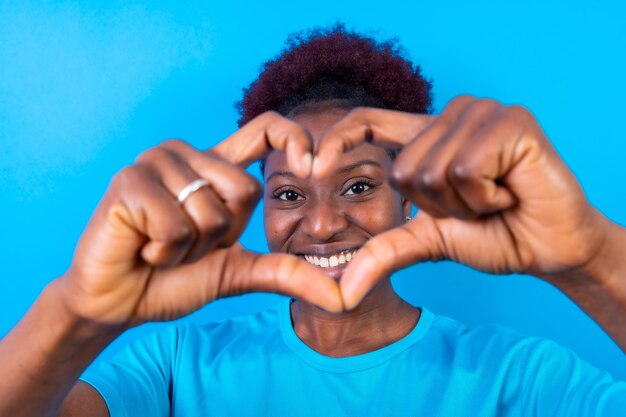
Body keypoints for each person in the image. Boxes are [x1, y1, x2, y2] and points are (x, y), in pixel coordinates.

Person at [1, 25, 625, 417]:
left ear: (412, 194)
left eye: (357, 185)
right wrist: (77, 313)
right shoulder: (176, 366)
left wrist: (592, 257)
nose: (322, 225)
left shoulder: (522, 377)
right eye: (290, 195)